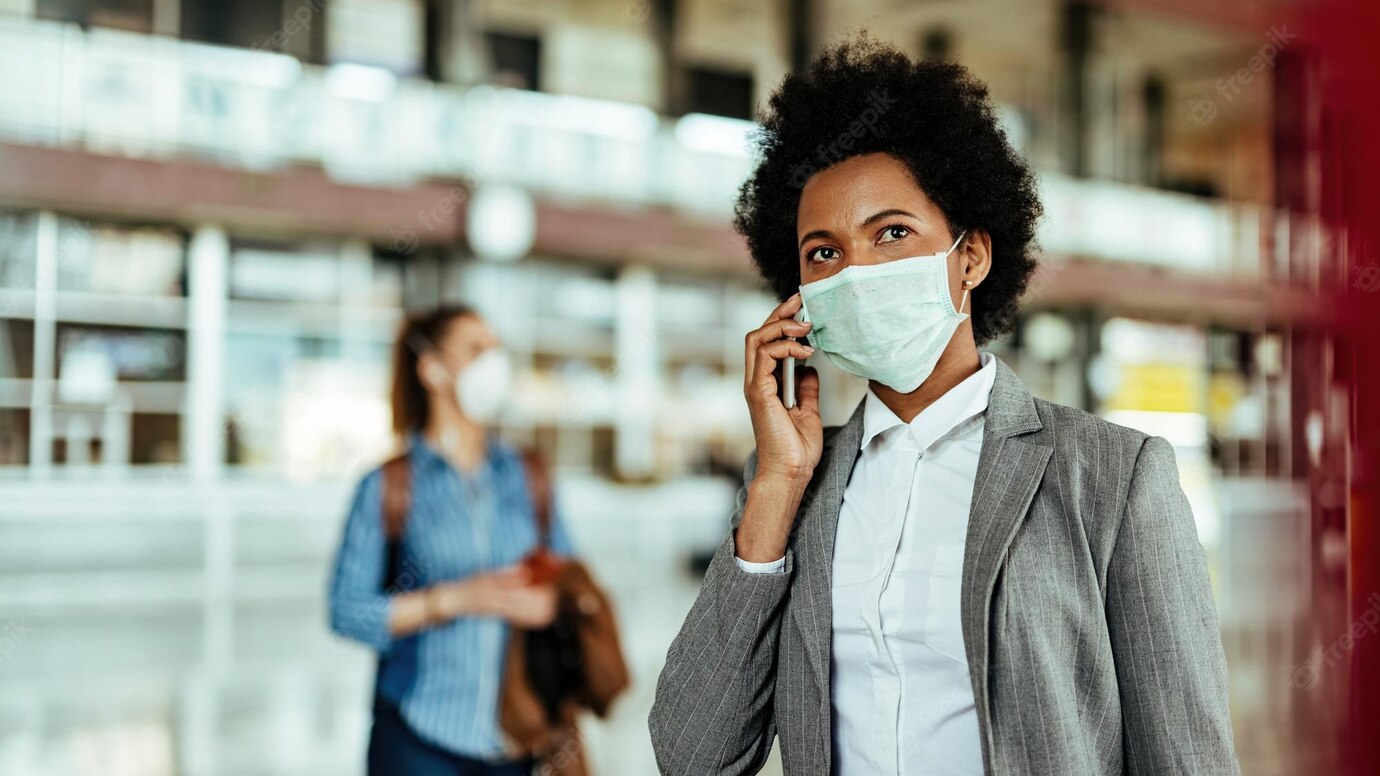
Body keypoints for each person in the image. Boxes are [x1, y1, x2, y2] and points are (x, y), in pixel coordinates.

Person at [649, 37, 1240, 776]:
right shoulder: (794, 485)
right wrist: (775, 486)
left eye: (892, 233)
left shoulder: (1113, 479)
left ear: (971, 258)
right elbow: (693, 755)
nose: (857, 271)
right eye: (823, 253)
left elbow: (1187, 757)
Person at [329, 304, 575, 776]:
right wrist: (452, 599)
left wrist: (549, 601)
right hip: (418, 740)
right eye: (476, 349)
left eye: (497, 349)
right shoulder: (388, 485)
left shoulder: (528, 475)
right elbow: (346, 611)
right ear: (433, 370)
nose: (494, 363)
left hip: (517, 740)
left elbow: (570, 578)